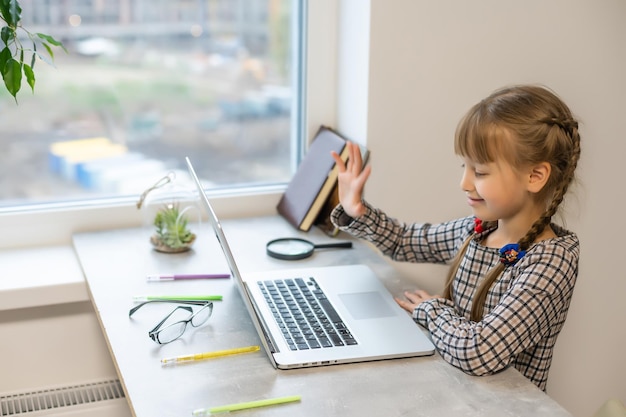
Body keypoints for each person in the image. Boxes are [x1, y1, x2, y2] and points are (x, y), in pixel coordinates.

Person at [330, 84, 581, 391]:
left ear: (535, 176)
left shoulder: (551, 262)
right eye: (465, 166)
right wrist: (358, 212)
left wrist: (432, 311)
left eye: (481, 172)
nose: (464, 182)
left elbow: (479, 352)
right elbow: (405, 241)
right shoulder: (478, 231)